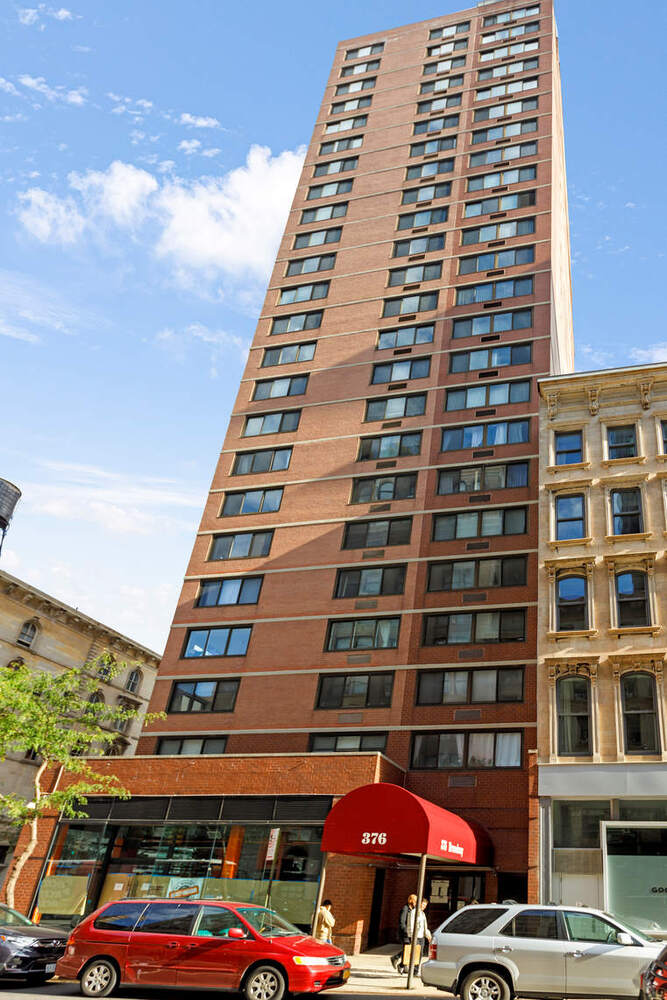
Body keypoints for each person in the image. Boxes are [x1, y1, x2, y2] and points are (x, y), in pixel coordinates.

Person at [391, 894, 416, 973]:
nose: (416, 903)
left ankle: (402, 964)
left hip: (409, 932)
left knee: (408, 949)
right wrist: (406, 931)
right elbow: (402, 922)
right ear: (411, 901)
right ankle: (399, 961)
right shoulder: (405, 909)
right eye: (415, 901)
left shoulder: (412, 909)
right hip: (405, 933)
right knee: (408, 949)